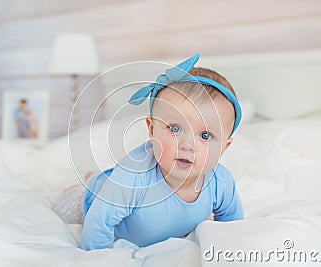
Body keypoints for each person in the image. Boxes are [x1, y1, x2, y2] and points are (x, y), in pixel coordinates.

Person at [63, 54, 244, 250]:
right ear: (151, 129)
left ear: (224, 147)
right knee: (69, 206)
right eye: (175, 128)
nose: (187, 145)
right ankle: (91, 181)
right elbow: (98, 224)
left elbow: (233, 228)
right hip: (96, 201)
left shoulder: (221, 183)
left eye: (205, 136)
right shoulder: (132, 176)